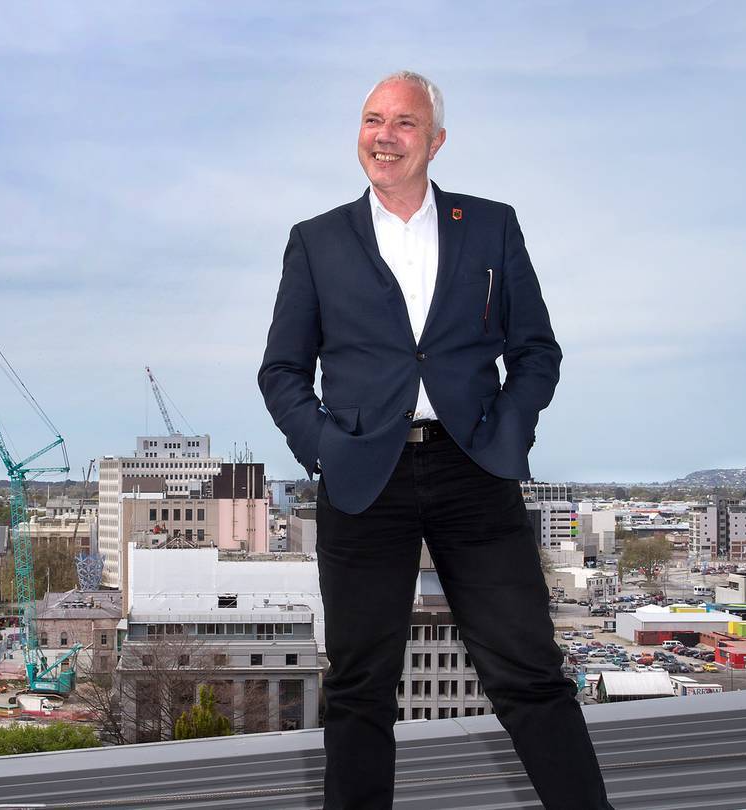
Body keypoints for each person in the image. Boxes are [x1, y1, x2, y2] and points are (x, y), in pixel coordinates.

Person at [258, 70, 614, 809]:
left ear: (436, 140)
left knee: (529, 672)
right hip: (363, 477)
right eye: (372, 120)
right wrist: (325, 449)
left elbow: (536, 351)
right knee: (359, 688)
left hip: (472, 468)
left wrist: (506, 434)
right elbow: (282, 371)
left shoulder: (490, 226)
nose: (384, 136)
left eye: (404, 123)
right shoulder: (317, 241)